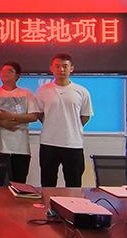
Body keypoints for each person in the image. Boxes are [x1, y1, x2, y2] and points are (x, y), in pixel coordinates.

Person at [36, 53, 93, 187]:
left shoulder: (81, 91)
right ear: (51, 68)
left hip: (73, 144)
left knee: (74, 184)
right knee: (47, 184)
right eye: (57, 66)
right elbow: (39, 114)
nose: (61, 69)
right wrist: (53, 124)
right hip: (49, 143)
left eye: (65, 66)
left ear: (71, 68)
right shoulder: (42, 91)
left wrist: (71, 127)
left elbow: (85, 116)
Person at [0, 62, 39, 183]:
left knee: (19, 184)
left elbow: (34, 116)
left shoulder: (26, 93)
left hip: (20, 148)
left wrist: (11, 116)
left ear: (17, 76)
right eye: (3, 71)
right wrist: (2, 123)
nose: (5, 74)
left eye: (10, 71)